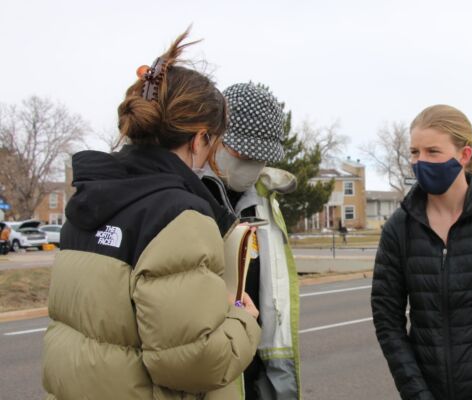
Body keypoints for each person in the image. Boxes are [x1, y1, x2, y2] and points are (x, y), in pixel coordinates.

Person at [42, 30, 261, 400]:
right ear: (198, 139)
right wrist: (243, 320)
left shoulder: (88, 200)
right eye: (213, 142)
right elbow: (194, 363)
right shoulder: (180, 217)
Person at [371, 104, 472, 400]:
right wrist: (416, 393)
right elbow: (387, 321)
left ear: (464, 155)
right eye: (414, 152)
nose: (421, 161)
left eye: (433, 152)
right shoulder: (399, 228)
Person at [201, 82, 301, 399]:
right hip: (207, 374)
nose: (250, 164)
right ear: (212, 137)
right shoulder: (185, 198)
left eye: (259, 157)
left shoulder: (263, 202)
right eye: (241, 153)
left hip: (255, 375)